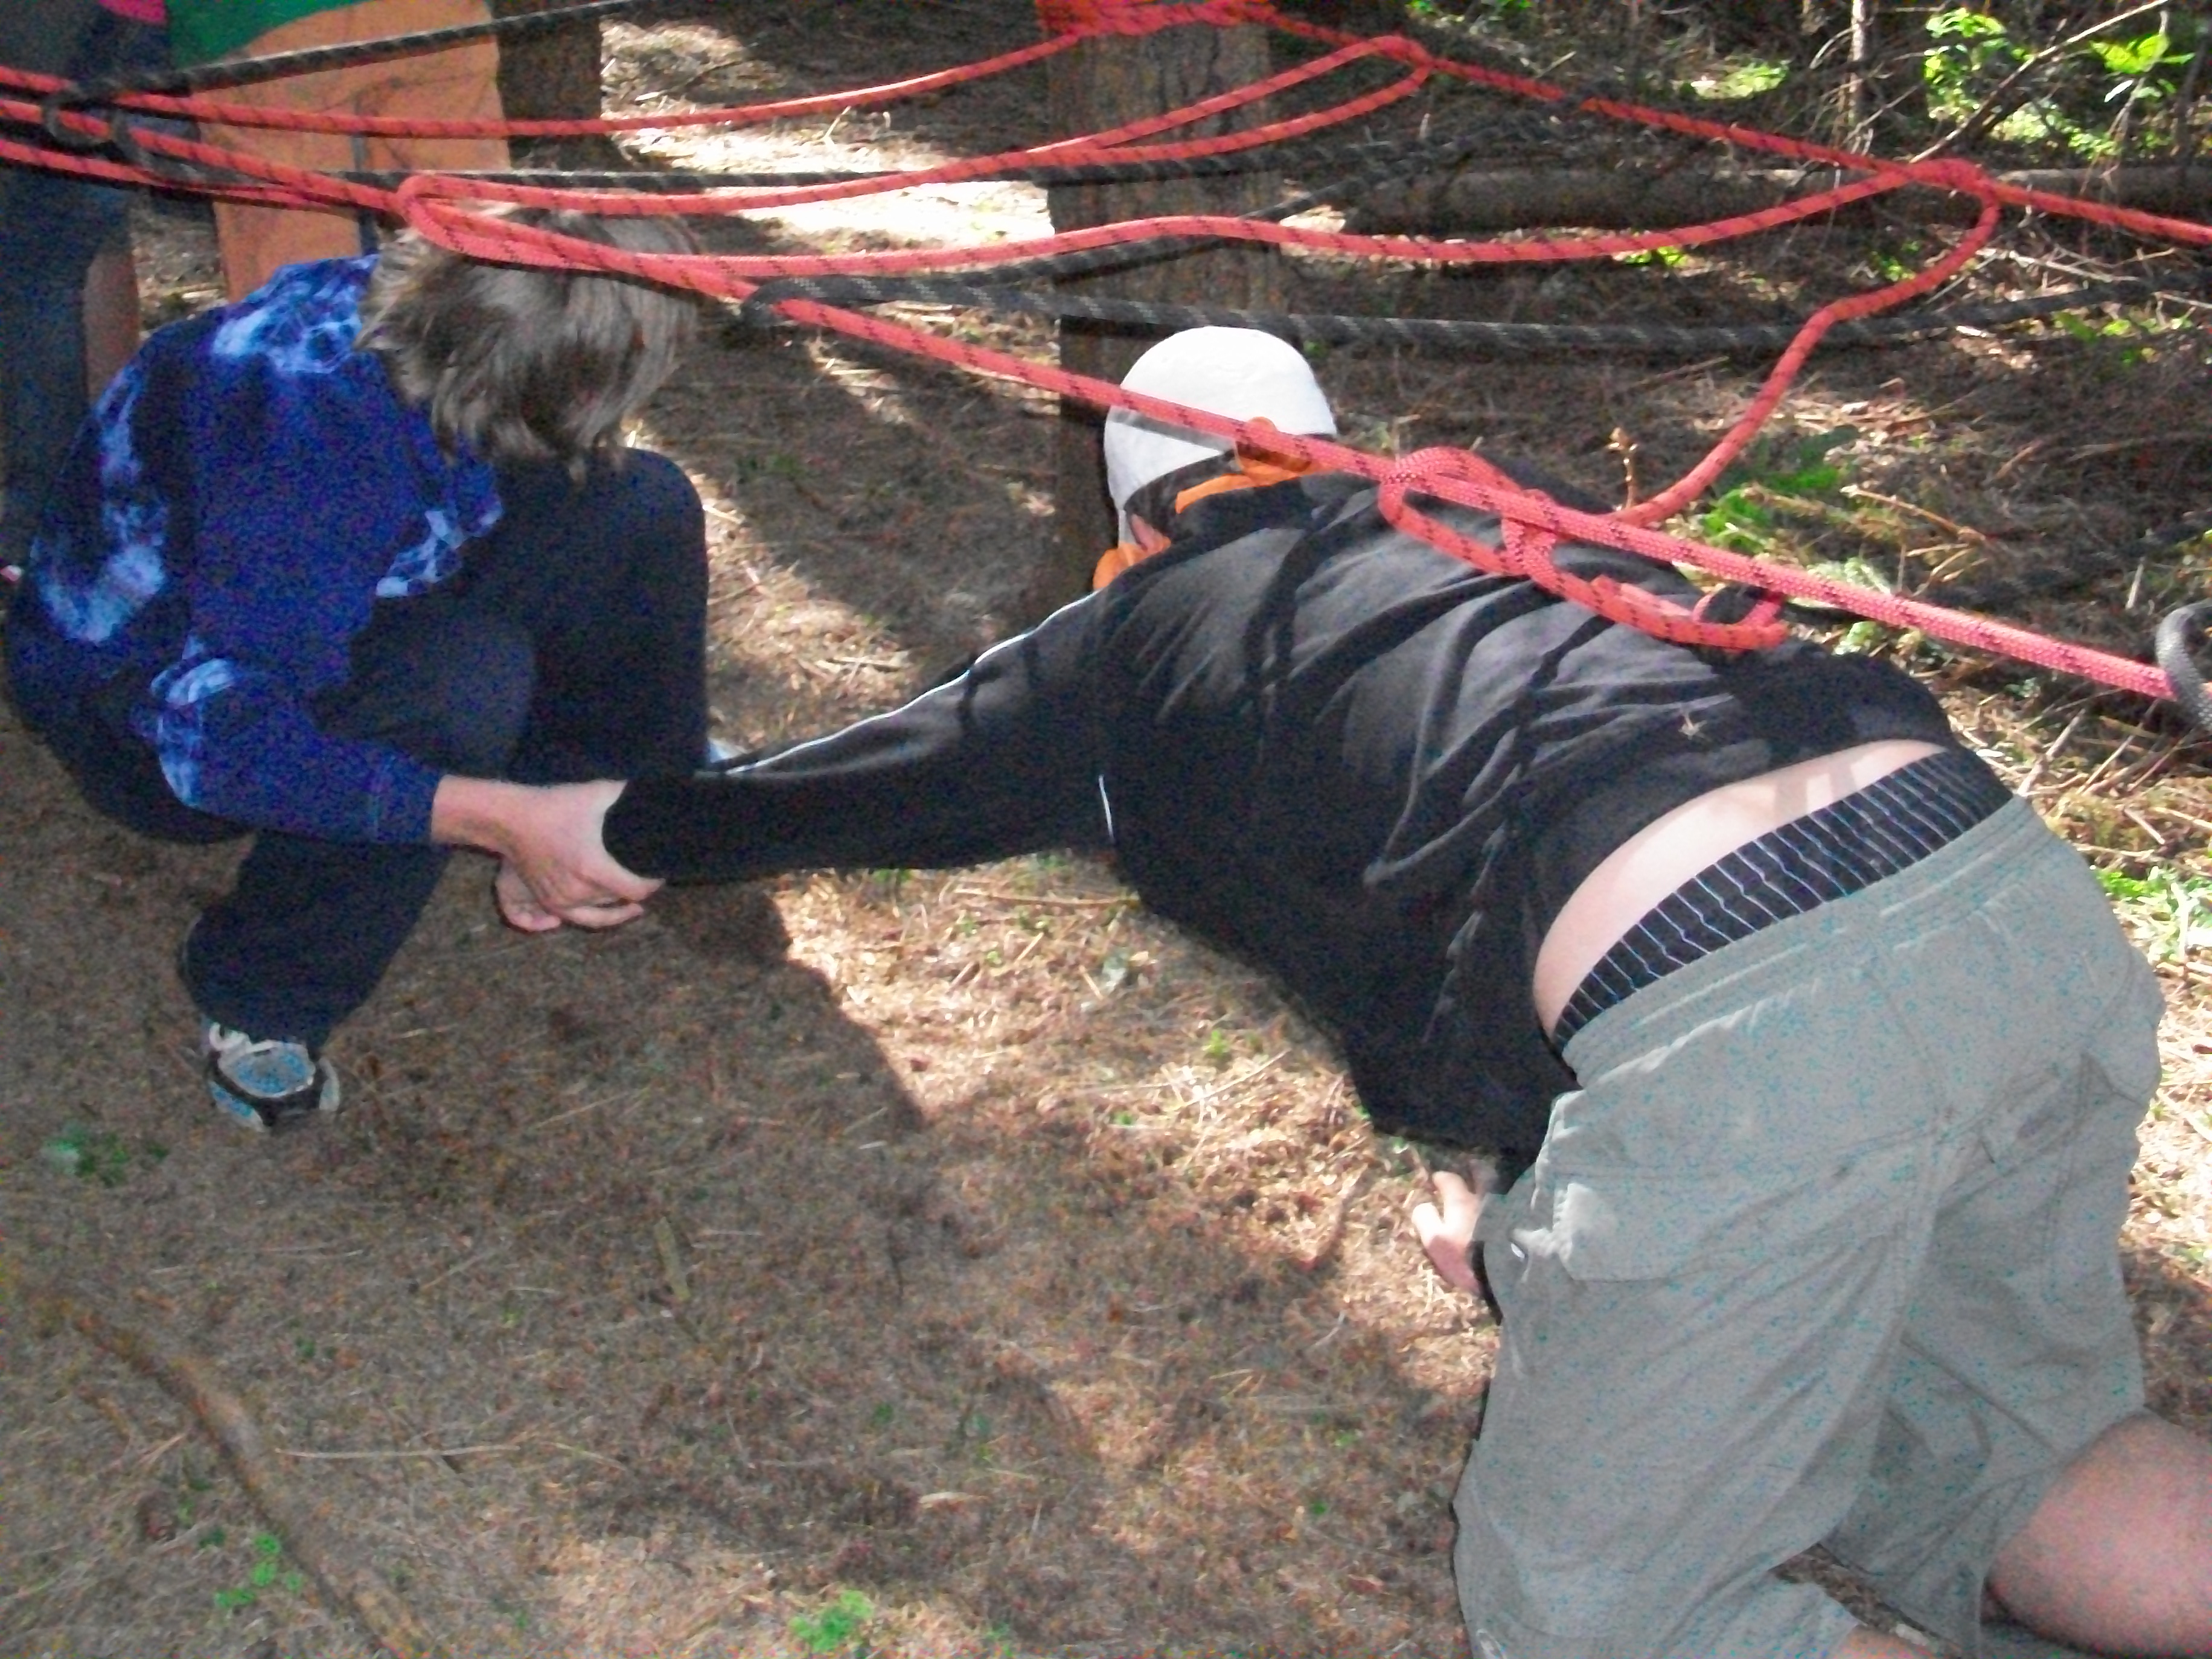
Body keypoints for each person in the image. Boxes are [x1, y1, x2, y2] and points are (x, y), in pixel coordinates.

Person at [500, 326, 2208, 1659]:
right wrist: (1527, 1212)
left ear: (1138, 522)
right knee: (2030, 1445)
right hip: (2007, 899)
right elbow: (1518, 844)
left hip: (1747, 1004)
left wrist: (598, 830)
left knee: (1616, 1615)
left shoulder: (1129, 640)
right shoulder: (1493, 513)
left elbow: (845, 785)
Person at [4, 204, 705, 1133]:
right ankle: (264, 992)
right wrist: (498, 817)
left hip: (356, 573)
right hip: (147, 717)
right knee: (459, 684)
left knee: (643, 505)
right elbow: (218, 745)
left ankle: (615, 817)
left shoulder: (427, 330)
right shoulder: (302, 444)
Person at [165, 0, 510, 302]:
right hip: (437, 14)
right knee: (473, 213)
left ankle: (314, 351)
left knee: (298, 254)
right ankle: (506, 343)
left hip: (264, 22)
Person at [0, 0, 171, 574]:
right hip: (156, 28)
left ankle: (43, 524)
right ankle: (107, 476)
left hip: (129, 26)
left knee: (35, 262)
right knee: (73, 238)